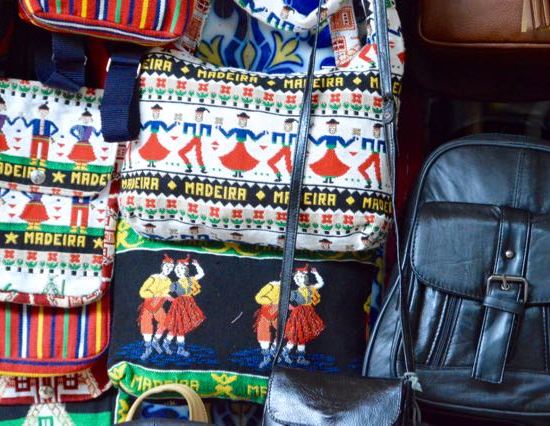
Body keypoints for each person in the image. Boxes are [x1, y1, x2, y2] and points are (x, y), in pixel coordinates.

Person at [282, 264, 325, 366]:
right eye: (296, 277)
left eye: (300, 276)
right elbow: (284, 299)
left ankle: (300, 358)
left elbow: (321, 283)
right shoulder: (294, 292)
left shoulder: (310, 288)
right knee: (297, 334)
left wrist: (316, 274)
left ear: (305, 277)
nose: (297, 279)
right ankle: (285, 351)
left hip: (308, 313)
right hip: (299, 314)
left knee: (303, 335)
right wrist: (289, 307)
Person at [164, 256, 206, 357]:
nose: (179, 270)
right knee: (178, 326)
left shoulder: (190, 280)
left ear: (186, 270)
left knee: (179, 327)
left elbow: (201, 274)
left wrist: (197, 265)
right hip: (178, 306)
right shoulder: (175, 284)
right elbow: (164, 292)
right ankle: (176, 347)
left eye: (181, 268)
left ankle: (167, 343)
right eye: (177, 269)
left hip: (189, 305)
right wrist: (171, 299)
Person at [138, 255, 174, 360]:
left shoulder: (169, 281)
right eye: (167, 266)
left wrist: (169, 297)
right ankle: (148, 348)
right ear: (162, 266)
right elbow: (142, 292)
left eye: (171, 268)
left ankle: (155, 341)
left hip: (159, 305)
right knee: (146, 325)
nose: (168, 269)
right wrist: (156, 294)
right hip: (148, 305)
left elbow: (165, 293)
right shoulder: (153, 277)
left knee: (165, 323)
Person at [217, 112, 267, 178]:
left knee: (242, 159)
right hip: (238, 147)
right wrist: (220, 129)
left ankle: (239, 173)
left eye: (244, 120)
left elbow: (255, 138)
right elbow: (227, 135)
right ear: (239, 120)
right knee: (236, 158)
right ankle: (236, 173)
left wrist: (262, 134)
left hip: (242, 147)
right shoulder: (236, 129)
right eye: (241, 120)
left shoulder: (247, 131)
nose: (242, 122)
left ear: (246, 121)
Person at [308, 119, 356, 183]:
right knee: (326, 164)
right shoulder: (325, 137)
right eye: (330, 128)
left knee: (332, 165)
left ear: (336, 128)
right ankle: (326, 179)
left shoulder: (338, 137)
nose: (332, 129)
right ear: (328, 128)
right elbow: (317, 143)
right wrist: (309, 136)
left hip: (332, 153)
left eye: (334, 128)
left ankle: (330, 179)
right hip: (328, 153)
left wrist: (352, 140)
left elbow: (344, 145)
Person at [253, 280, 280, 368]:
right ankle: (266, 357)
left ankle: (273, 351)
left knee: (285, 331)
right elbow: (258, 297)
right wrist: (270, 302)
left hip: (279, 311)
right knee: (263, 333)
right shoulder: (271, 286)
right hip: (267, 311)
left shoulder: (289, 287)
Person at [178, 107, 210, 173]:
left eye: (200, 115)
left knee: (198, 154)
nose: (198, 116)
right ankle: (190, 166)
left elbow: (208, 132)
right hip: (194, 140)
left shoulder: (203, 125)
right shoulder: (194, 124)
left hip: (198, 140)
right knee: (181, 152)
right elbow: (186, 127)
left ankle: (201, 168)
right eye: (197, 114)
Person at [358, 123, 386, 190]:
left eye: (377, 130)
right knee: (361, 168)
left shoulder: (381, 141)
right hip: (372, 155)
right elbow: (363, 144)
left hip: (377, 156)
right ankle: (369, 182)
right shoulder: (371, 139)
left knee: (377, 170)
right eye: (375, 129)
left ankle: (379, 184)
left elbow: (385, 149)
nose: (375, 131)